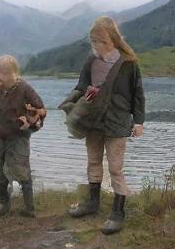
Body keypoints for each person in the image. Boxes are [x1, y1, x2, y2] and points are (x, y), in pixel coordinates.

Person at [61, 16, 145, 235]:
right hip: (93, 121)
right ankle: (92, 204)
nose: (95, 46)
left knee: (115, 168)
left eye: (98, 41)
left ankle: (118, 213)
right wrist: (71, 103)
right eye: (93, 41)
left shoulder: (129, 63)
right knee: (93, 162)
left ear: (111, 39)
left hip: (118, 123)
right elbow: (80, 86)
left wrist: (139, 122)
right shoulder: (91, 60)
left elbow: (138, 95)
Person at [0, 54, 47, 217]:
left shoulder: (25, 89)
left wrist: (33, 120)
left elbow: (41, 110)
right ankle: (2, 203)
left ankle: (29, 207)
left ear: (12, 75)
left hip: (19, 136)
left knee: (21, 169)